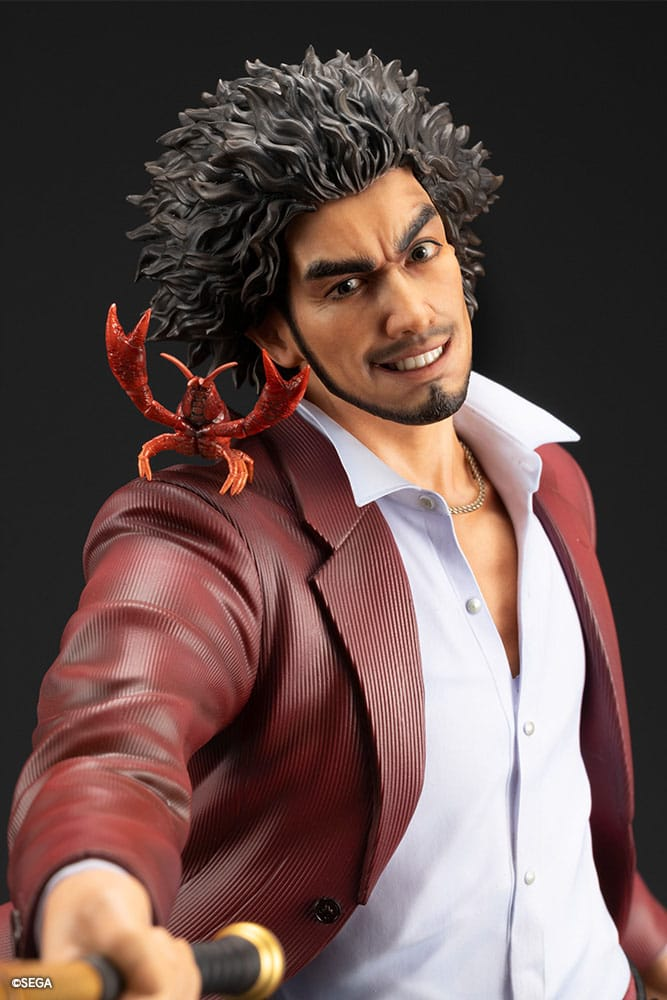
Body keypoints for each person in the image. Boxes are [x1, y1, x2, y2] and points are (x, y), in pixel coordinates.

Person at [3, 47, 666, 1000]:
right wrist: (95, 899)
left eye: (420, 253)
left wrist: (642, 943)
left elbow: (553, 796)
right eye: (345, 285)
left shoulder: (544, 478)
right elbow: (110, 746)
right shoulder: (212, 534)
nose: (411, 313)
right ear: (275, 330)